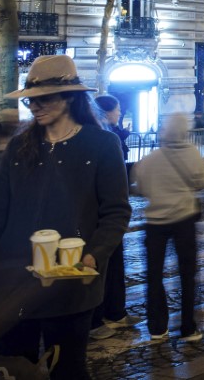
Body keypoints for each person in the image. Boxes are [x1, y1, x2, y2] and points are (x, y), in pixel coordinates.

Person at [0, 56, 131, 379]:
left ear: (69, 97)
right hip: (11, 288)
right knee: (11, 371)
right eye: (31, 100)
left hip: (70, 289)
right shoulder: (20, 146)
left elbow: (116, 212)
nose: (34, 106)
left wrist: (93, 255)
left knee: (67, 372)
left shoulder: (103, 145)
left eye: (44, 98)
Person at [132, 113, 204, 342]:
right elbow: (203, 181)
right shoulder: (193, 155)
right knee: (187, 274)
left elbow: (141, 187)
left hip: (154, 223)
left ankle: (157, 327)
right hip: (183, 220)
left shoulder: (150, 158)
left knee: (154, 275)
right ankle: (187, 327)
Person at [89, 94, 134, 340]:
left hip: (110, 212)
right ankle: (97, 318)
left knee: (114, 264)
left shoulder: (109, 134)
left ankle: (114, 311)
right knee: (101, 264)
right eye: (117, 109)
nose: (119, 113)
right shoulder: (103, 137)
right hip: (100, 213)